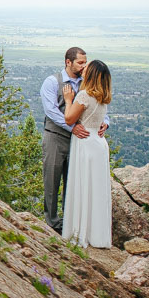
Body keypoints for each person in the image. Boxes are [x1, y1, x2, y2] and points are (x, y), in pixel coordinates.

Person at [39, 47, 108, 232]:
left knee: (74, 182)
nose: (84, 66)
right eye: (80, 62)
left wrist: (105, 122)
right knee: (51, 181)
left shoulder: (88, 82)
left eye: (85, 62)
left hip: (79, 141)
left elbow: (99, 102)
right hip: (55, 137)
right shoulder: (52, 81)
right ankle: (52, 223)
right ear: (68, 62)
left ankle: (70, 223)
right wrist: (72, 126)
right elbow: (51, 111)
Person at [61, 60, 113, 247]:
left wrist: (68, 100)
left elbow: (68, 119)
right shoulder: (103, 97)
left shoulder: (84, 95)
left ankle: (79, 232)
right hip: (99, 144)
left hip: (85, 143)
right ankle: (97, 235)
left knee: (83, 187)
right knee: (96, 191)